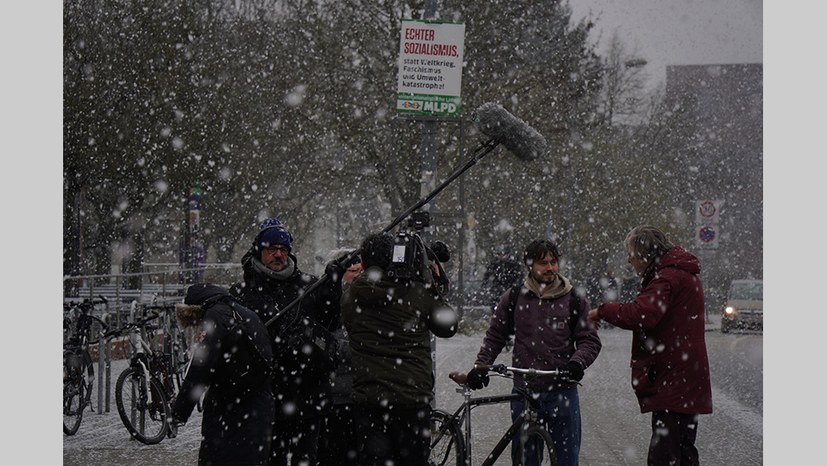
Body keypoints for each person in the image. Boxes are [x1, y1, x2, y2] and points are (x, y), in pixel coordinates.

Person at [465, 239, 602, 466]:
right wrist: (482, 366)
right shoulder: (514, 297)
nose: (550, 268)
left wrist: (577, 363)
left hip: (562, 390)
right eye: (543, 263)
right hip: (524, 392)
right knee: (524, 459)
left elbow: (589, 340)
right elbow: (495, 336)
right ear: (529, 266)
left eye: (554, 262)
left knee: (567, 460)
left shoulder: (574, 300)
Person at [587, 225, 712, 466]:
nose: (628, 259)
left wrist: (602, 310)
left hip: (674, 378)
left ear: (644, 253)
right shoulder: (680, 273)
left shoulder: (668, 277)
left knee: (665, 455)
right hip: (685, 377)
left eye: (631, 252)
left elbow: (640, 314)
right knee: (683, 449)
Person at [229, 218, 341, 466]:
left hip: (308, 395)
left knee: (306, 459)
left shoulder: (309, 286)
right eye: (272, 249)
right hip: (265, 398)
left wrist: (333, 288)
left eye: (284, 249)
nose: (278, 254)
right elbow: (234, 343)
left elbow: (331, 325)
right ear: (260, 251)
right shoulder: (241, 293)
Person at [340, 232, 458, 466]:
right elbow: (449, 326)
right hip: (411, 399)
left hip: (369, 400)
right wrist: (432, 286)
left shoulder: (351, 295)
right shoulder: (416, 293)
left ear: (363, 263)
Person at [170, 283, 275, 466]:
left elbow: (200, 368)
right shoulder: (246, 313)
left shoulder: (214, 317)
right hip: (259, 407)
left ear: (197, 310)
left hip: (228, 409)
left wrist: (179, 412)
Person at [317, 248, 363, 466]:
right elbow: (330, 343)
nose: (358, 275)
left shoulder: (367, 299)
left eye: (361, 271)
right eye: (353, 270)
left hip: (361, 397)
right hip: (336, 398)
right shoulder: (330, 301)